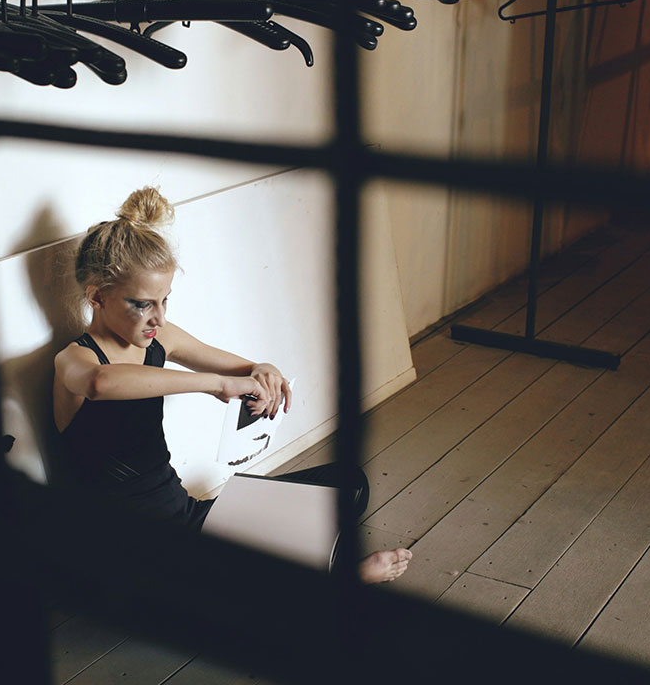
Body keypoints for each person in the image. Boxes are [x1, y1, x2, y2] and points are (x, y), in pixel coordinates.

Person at [52, 186, 411, 584]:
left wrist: (262, 368)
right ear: (97, 297)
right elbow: (101, 382)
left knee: (348, 483)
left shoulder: (156, 338)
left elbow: (238, 366)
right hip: (129, 549)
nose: (160, 318)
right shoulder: (75, 360)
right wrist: (215, 385)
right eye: (142, 304)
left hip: (188, 519)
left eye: (164, 300)